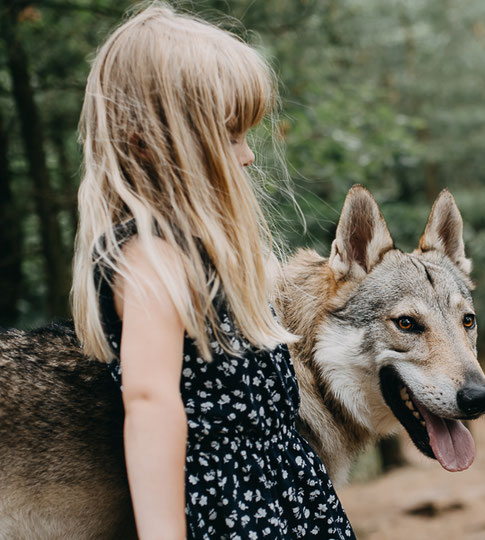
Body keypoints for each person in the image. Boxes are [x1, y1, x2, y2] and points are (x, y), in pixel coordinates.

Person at [71, 5, 353, 539]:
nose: (248, 156)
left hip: (285, 493)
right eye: (230, 136)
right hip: (235, 512)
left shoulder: (201, 252)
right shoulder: (152, 256)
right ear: (147, 142)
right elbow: (150, 405)